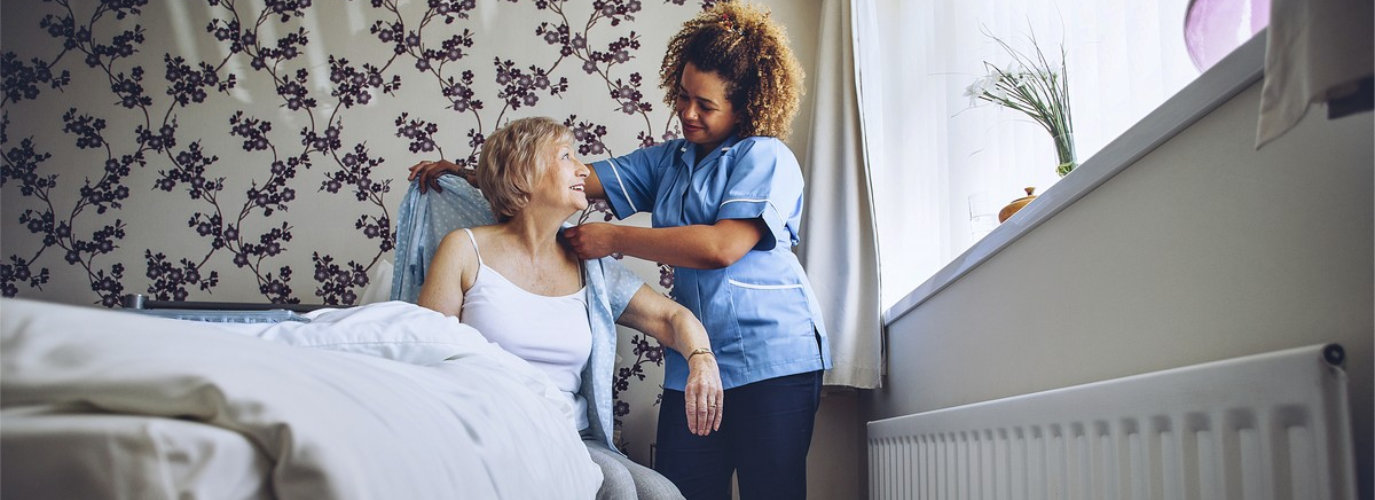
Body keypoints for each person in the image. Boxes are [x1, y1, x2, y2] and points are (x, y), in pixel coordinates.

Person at [411, 4, 829, 499]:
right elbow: (561, 178)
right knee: (683, 489)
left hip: (772, 356)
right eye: (683, 96)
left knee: (772, 492)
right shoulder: (669, 162)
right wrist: (474, 174)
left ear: (744, 106)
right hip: (690, 363)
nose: (688, 113)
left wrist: (615, 238)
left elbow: (722, 246)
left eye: (706, 106)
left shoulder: (766, 157)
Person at [412, 117, 725, 500]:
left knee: (663, 494)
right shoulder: (463, 248)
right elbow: (425, 353)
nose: (582, 169)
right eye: (566, 157)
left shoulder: (588, 266)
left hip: (573, 436)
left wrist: (701, 358)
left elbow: (672, 316)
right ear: (521, 173)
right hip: (496, 431)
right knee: (617, 487)